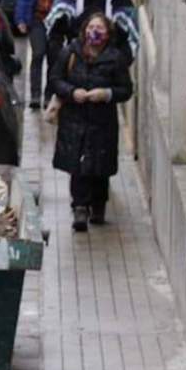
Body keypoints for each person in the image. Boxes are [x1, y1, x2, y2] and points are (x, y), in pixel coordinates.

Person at [51, 14, 133, 232]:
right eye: (91, 27)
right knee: (77, 164)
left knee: (100, 165)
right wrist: (71, 92)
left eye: (100, 28)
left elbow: (126, 90)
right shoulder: (71, 52)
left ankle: (98, 205)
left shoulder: (115, 58)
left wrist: (106, 94)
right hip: (74, 119)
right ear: (84, 30)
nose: (94, 32)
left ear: (108, 34)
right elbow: (56, 79)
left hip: (102, 121)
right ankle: (79, 206)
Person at [14, 0, 67, 109]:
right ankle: (35, 95)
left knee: (54, 58)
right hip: (36, 17)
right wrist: (21, 18)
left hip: (56, 19)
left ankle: (48, 94)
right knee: (38, 54)